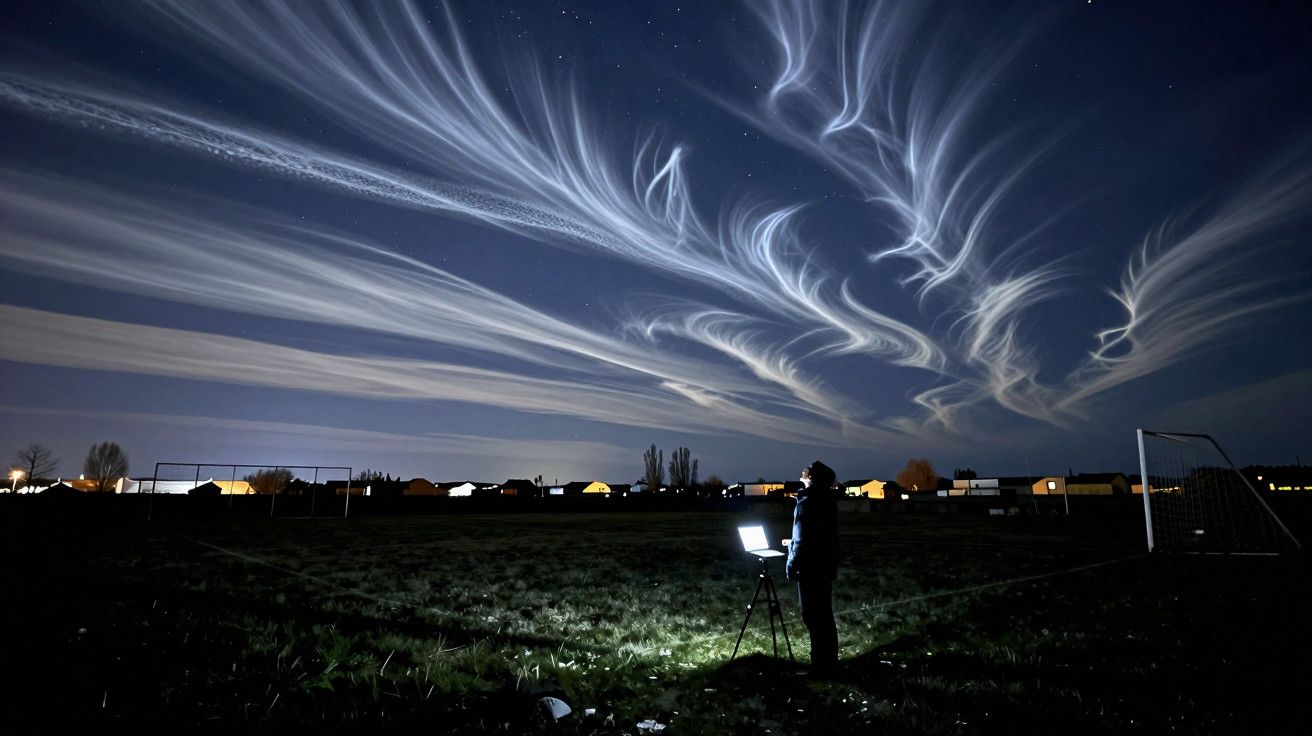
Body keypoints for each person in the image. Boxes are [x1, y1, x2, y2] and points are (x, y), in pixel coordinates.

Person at [786, 459, 839, 675]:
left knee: (812, 615)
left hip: (810, 566)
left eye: (809, 470)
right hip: (824, 564)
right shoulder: (826, 498)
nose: (803, 471)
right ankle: (827, 662)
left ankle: (820, 666)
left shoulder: (809, 501)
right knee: (824, 614)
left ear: (813, 478)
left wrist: (792, 562)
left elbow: (804, 537)